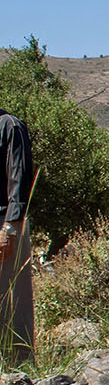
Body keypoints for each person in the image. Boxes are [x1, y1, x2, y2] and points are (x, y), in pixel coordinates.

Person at [0, 109, 34, 363]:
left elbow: (19, 179)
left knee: (13, 299)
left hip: (6, 225)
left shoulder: (10, 126)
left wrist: (9, 229)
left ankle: (18, 365)